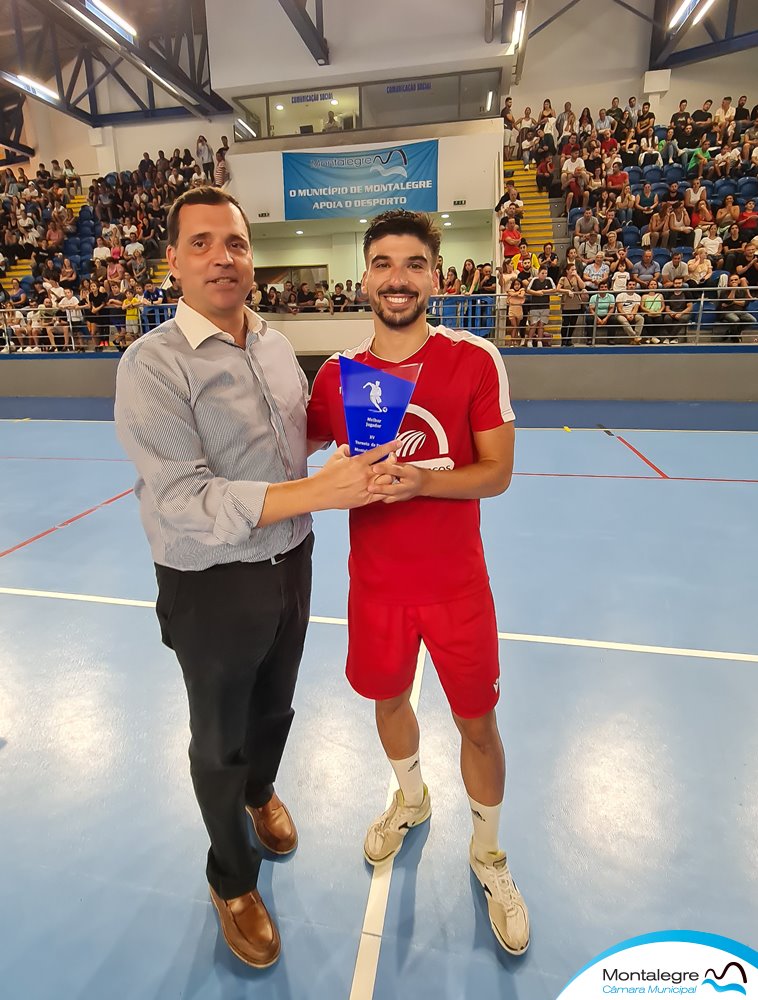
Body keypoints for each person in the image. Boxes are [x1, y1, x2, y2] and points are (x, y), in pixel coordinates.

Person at [114, 186, 398, 970]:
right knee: (217, 738)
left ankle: (259, 792)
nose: (221, 257)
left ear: (251, 256)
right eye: (200, 243)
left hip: (291, 560)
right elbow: (183, 498)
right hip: (210, 582)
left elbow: (292, 430)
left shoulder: (274, 343)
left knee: (276, 708)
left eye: (233, 243)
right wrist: (320, 491)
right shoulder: (152, 367)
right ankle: (231, 878)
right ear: (172, 260)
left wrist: (357, 424)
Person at [306, 210, 529, 956]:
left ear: (436, 274)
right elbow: (289, 442)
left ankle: (489, 855)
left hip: (457, 587)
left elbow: (496, 474)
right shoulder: (337, 375)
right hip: (375, 586)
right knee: (388, 700)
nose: (396, 277)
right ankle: (411, 799)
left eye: (412, 264)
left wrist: (417, 484)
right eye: (382, 263)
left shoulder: (473, 359)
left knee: (477, 724)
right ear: (363, 276)